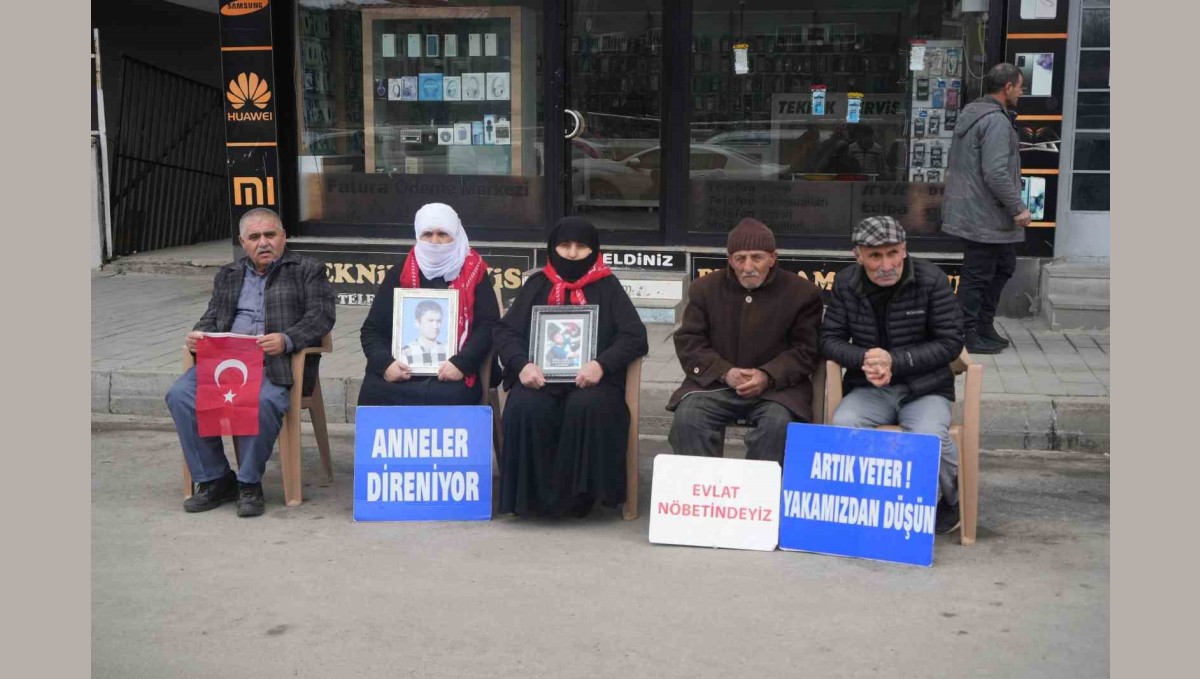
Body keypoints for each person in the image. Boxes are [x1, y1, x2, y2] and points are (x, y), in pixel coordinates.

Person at [165, 208, 336, 517]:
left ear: (283, 237)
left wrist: (286, 339)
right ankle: (215, 478)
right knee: (180, 395)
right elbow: (213, 318)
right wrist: (199, 337)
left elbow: (321, 317)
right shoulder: (228, 275)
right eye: (254, 237)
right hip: (226, 365)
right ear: (243, 242)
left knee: (263, 400)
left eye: (270, 235)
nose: (263, 243)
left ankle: (249, 483)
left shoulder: (307, 269)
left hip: (275, 363)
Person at [494, 217, 648, 517]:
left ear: (595, 250)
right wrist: (522, 365)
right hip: (538, 378)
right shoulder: (537, 285)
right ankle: (532, 498)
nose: (573, 254)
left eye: (581, 246)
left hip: (592, 382)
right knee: (526, 407)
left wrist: (601, 365)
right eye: (565, 246)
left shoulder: (607, 285)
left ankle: (581, 498)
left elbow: (634, 335)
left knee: (588, 406)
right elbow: (505, 332)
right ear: (553, 248)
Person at [821, 216, 964, 534]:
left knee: (929, 436)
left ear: (904, 250)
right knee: (844, 425)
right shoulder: (846, 283)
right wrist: (864, 359)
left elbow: (951, 342)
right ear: (858, 256)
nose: (886, 264)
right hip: (869, 387)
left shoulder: (931, 279)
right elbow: (828, 339)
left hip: (925, 387)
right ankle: (861, 503)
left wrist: (895, 361)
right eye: (875, 256)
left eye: (893, 253)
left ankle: (954, 501)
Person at [667, 217, 823, 463]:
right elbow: (690, 340)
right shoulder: (704, 288)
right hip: (715, 385)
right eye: (740, 258)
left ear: (773, 257)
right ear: (730, 260)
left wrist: (767, 375)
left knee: (778, 426)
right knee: (688, 420)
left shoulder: (803, 293)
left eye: (757, 257)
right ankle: (704, 495)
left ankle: (757, 498)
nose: (748, 266)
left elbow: (806, 350)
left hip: (777, 390)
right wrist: (724, 371)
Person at [358, 202, 500, 407]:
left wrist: (461, 363)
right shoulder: (399, 274)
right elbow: (372, 330)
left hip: (454, 370)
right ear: (417, 235)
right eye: (427, 234)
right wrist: (385, 364)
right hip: (403, 369)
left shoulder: (474, 272)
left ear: (456, 235)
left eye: (443, 234)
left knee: (450, 396)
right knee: (375, 390)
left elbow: (489, 326)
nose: (435, 241)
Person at [941, 62, 1031, 354]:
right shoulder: (995, 121)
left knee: (1004, 265)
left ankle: (983, 324)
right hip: (985, 214)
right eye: (1020, 86)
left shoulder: (976, 114)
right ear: (1007, 88)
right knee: (978, 274)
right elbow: (995, 173)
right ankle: (965, 333)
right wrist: (1018, 207)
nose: (1022, 91)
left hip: (980, 210)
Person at [399, 300, 449, 368]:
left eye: (438, 321)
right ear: (417, 323)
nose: (435, 326)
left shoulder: (447, 350)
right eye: (430, 321)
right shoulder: (406, 351)